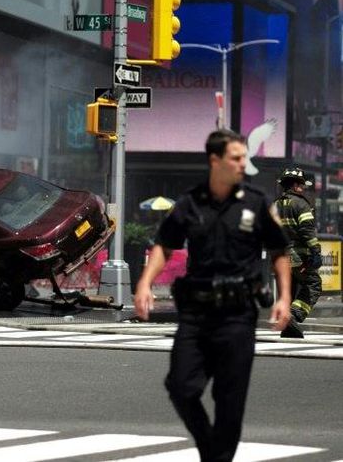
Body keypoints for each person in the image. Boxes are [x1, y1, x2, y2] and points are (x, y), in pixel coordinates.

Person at [134, 129, 291, 462]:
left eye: (244, 157)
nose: (242, 164)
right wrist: (145, 282)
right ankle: (210, 451)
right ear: (214, 160)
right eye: (236, 158)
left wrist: (284, 297)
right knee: (180, 386)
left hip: (237, 316)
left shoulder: (256, 201)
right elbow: (165, 243)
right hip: (196, 316)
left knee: (229, 402)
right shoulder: (190, 203)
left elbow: (279, 250)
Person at [274, 167, 322, 338]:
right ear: (295, 185)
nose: (304, 188)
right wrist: (316, 252)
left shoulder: (275, 205)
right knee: (313, 284)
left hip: (280, 257)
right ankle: (293, 316)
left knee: (290, 289)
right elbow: (308, 232)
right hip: (298, 256)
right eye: (302, 185)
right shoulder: (301, 204)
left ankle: (288, 328)